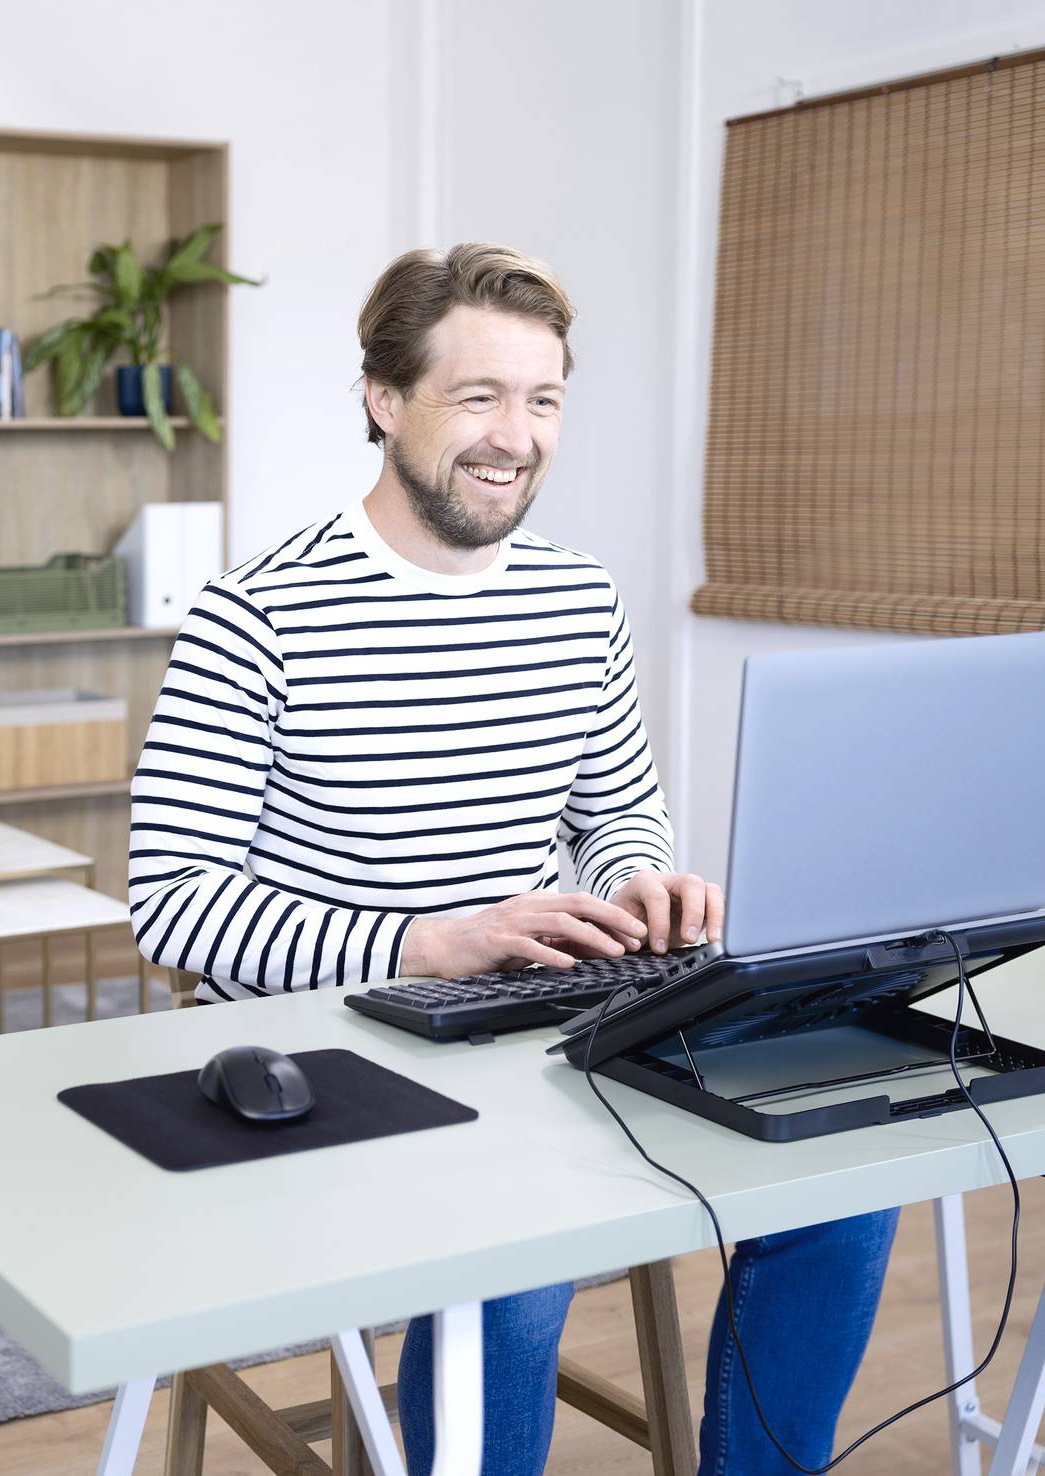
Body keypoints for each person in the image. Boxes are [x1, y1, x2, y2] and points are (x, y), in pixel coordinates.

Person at [127, 242, 896, 1476]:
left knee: (842, 1182)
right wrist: (425, 943)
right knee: (519, 1269)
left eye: (540, 400)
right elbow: (171, 907)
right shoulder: (253, 616)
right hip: (343, 1043)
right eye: (476, 396)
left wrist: (639, 882)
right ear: (384, 401)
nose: (515, 436)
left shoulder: (577, 601)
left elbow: (618, 817)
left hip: (551, 1019)